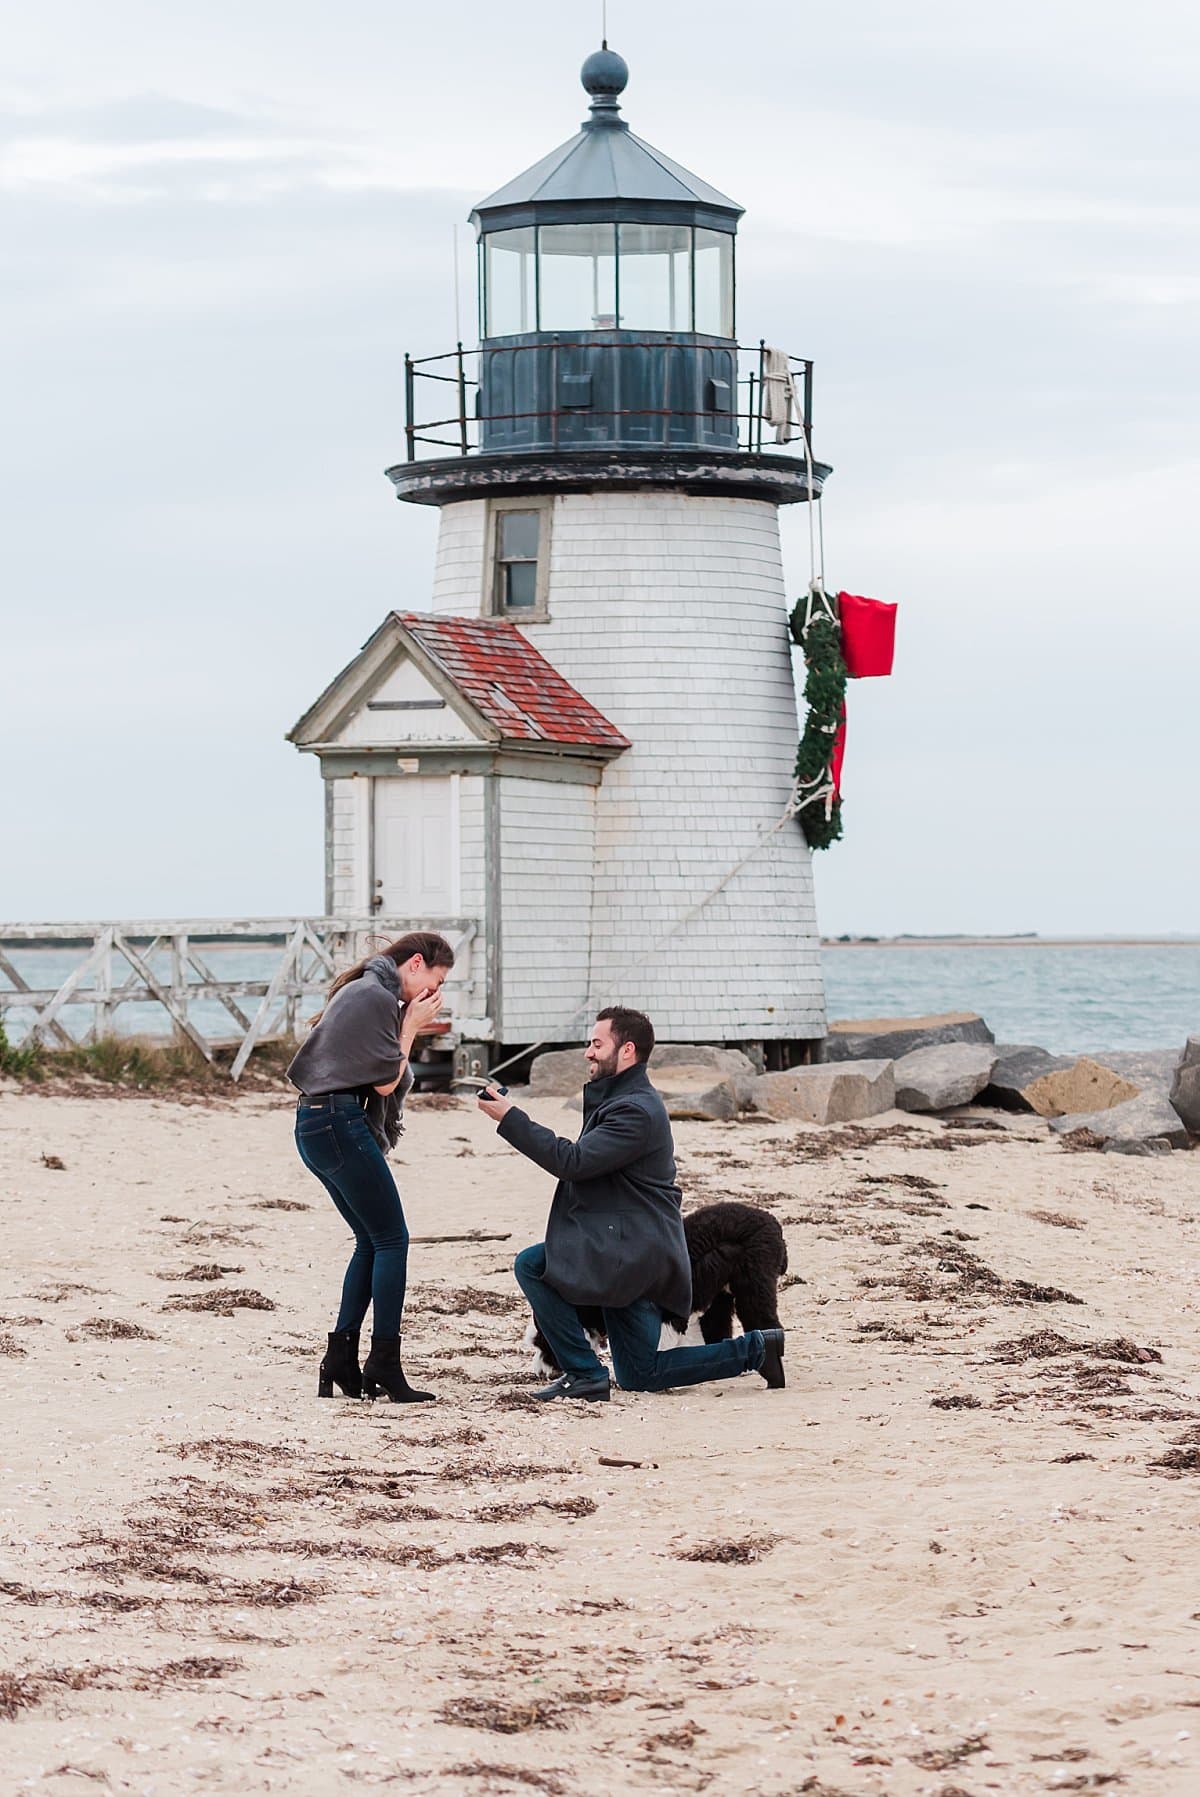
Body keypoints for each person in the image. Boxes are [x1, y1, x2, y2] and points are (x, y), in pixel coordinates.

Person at [478, 1007, 785, 1402]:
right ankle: (759, 1348)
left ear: (626, 1051)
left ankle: (584, 1373)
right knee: (641, 1373)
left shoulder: (634, 1110)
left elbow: (572, 1162)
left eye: (596, 1043)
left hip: (632, 1256)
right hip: (622, 1249)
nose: (588, 1052)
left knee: (532, 1265)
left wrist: (511, 1118)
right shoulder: (620, 1098)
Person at [288, 931, 455, 1404]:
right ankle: (383, 1361)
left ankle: (341, 1357)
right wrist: (411, 1025)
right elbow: (385, 1082)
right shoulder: (375, 996)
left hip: (319, 1123)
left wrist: (407, 1020)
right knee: (391, 1239)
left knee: (371, 1241)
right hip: (338, 1123)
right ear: (415, 963)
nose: (431, 995)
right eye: (434, 982)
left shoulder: (365, 990)